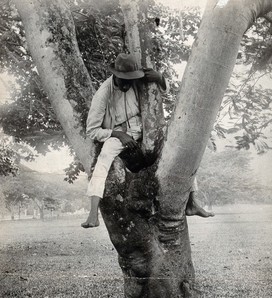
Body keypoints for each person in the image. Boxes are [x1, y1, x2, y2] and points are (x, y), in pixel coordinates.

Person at [82, 53, 213, 228]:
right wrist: (119, 134)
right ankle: (93, 213)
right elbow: (92, 130)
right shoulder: (104, 93)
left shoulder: (138, 80)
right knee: (104, 158)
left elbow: (161, 90)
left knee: (177, 145)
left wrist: (160, 78)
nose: (128, 84)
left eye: (131, 80)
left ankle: (191, 202)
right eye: (124, 80)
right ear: (116, 76)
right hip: (119, 132)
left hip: (146, 127)